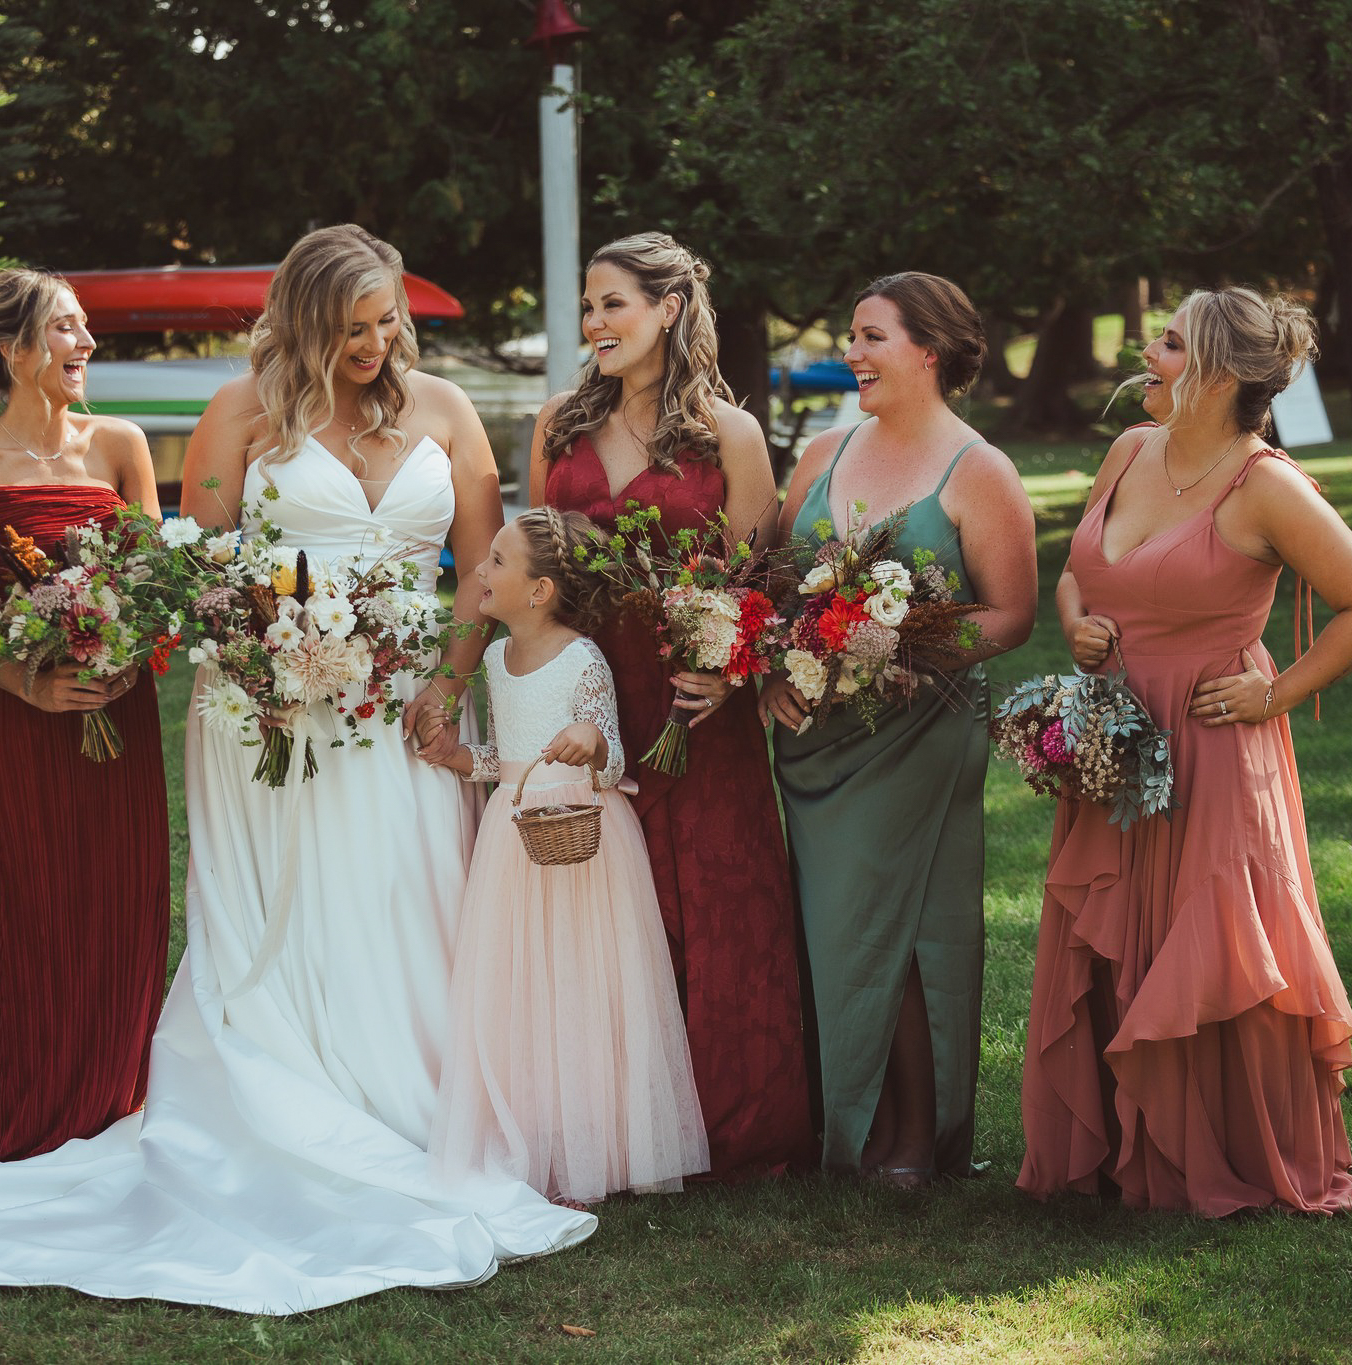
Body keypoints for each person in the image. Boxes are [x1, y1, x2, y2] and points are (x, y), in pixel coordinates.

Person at [0, 225, 592, 1314]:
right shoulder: (238, 416)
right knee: (290, 915)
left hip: (402, 706)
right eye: (353, 326)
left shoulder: (445, 413)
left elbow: (481, 569)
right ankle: (280, 1095)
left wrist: (449, 685)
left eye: (386, 322)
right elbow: (200, 568)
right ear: (308, 320)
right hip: (268, 705)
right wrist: (271, 656)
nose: (375, 342)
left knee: (408, 901)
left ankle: (414, 1107)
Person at [1018, 288, 1352, 1215]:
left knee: (1210, 941)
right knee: (1116, 935)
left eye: (1168, 342)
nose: (1145, 353)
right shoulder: (1127, 451)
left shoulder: (1264, 484)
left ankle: (1221, 1151)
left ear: (1222, 373)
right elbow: (1076, 570)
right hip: (1117, 741)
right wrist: (1080, 627)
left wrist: (1275, 692)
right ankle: (1122, 1147)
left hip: (1213, 745)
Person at [533, 232, 816, 1177]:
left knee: (719, 897)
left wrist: (732, 668)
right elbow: (540, 569)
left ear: (668, 309)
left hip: (693, 702)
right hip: (587, 689)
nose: (595, 323)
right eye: (588, 306)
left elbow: (758, 579)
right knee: (601, 900)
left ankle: (733, 1124)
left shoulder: (730, 436)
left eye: (613, 303)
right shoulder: (558, 428)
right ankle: (612, 1120)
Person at [761, 272, 1037, 1185]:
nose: (852, 352)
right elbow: (765, 583)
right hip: (813, 736)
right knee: (827, 922)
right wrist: (774, 671)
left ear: (928, 351)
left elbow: (1010, 616)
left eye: (871, 336)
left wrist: (895, 643)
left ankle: (913, 1137)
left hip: (919, 728)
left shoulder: (978, 470)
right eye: (850, 334)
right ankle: (837, 1118)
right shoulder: (822, 454)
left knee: (902, 924)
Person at [0, 270, 169, 1161]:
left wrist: (125, 646)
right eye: (67, 328)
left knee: (122, 909)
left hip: (120, 716)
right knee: (38, 917)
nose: (87, 345)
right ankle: (29, 1109)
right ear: (12, 349)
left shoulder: (121, 444)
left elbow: (155, 577)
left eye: (85, 327)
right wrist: (32, 683)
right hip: (30, 724)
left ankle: (117, 1100)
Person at [424, 508, 710, 1207]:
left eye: (496, 561)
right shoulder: (493, 658)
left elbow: (609, 763)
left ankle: (598, 1141)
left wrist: (591, 735)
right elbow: (504, 757)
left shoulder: (582, 658)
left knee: (583, 982)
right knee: (523, 986)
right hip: (514, 836)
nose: (481, 572)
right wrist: (461, 757)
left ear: (540, 590)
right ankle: (536, 1131)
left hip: (585, 841)